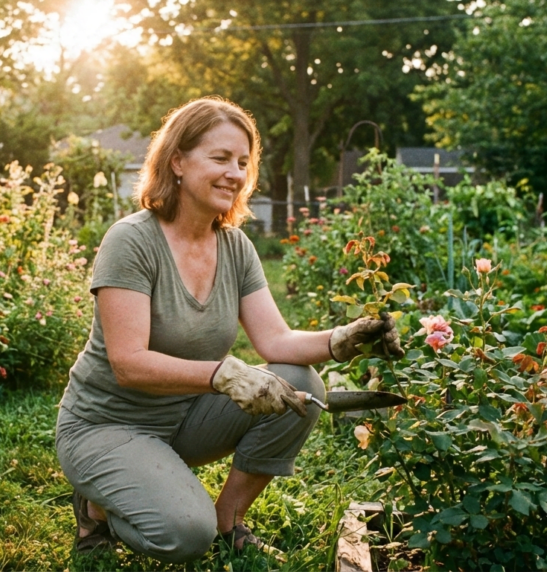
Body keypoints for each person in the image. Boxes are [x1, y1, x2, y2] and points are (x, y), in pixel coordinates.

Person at [55, 96, 403, 563]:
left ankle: (229, 520)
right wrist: (222, 375)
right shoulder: (132, 241)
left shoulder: (234, 246)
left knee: (298, 381)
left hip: (184, 421)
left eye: (243, 162)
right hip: (107, 425)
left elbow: (276, 341)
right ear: (177, 161)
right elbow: (128, 363)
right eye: (220, 158)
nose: (235, 174)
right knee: (184, 535)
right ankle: (97, 506)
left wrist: (342, 340)